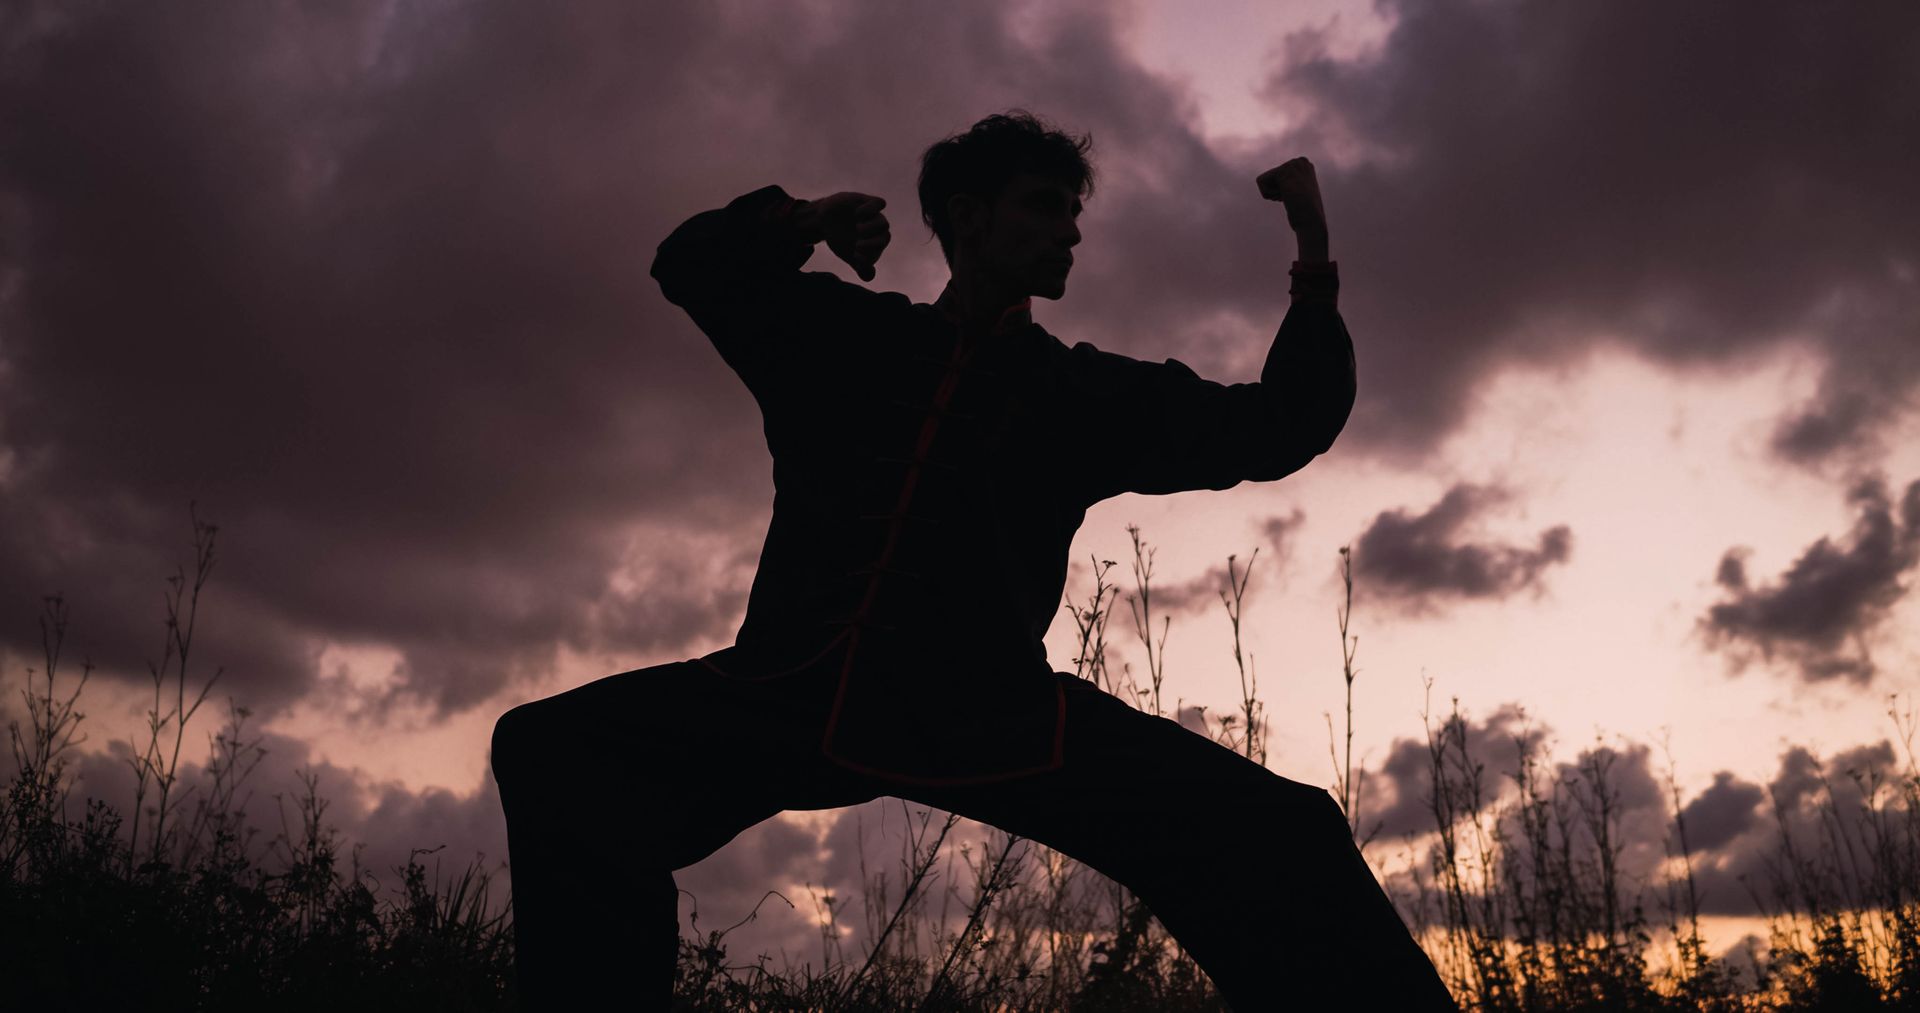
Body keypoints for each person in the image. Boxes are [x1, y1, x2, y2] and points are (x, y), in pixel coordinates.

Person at [491, 110, 1457, 1010]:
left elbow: (1282, 424)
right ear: (967, 216)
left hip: (991, 716)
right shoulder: (841, 336)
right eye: (1045, 206)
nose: (1069, 232)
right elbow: (692, 264)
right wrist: (805, 215)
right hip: (791, 689)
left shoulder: (1078, 392)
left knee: (1281, 834)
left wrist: (1313, 249)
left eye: (1075, 214)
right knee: (555, 749)